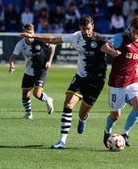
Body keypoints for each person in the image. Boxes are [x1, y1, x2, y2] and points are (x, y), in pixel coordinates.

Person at [20, 14, 120, 149]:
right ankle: (62, 141)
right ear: (80, 27)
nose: (87, 32)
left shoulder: (100, 39)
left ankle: (82, 119)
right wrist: (33, 37)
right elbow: (54, 39)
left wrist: (113, 52)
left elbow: (106, 48)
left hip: (96, 81)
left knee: (82, 113)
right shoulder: (76, 36)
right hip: (80, 77)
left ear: (93, 27)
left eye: (89, 29)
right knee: (68, 103)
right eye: (84, 29)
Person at [103, 16, 138, 148]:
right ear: (130, 28)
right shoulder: (120, 37)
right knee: (115, 116)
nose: (135, 35)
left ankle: (125, 133)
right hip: (117, 81)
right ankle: (106, 132)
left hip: (132, 79)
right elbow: (105, 46)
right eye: (133, 32)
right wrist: (112, 51)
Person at [8, 23, 55, 119]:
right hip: (29, 71)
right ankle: (29, 114)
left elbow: (52, 47)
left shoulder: (39, 40)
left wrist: (49, 62)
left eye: (31, 32)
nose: (29, 35)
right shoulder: (20, 44)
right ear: (23, 33)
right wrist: (11, 64)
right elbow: (12, 57)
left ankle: (48, 99)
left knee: (36, 93)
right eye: (27, 33)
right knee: (25, 93)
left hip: (41, 70)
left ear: (34, 32)